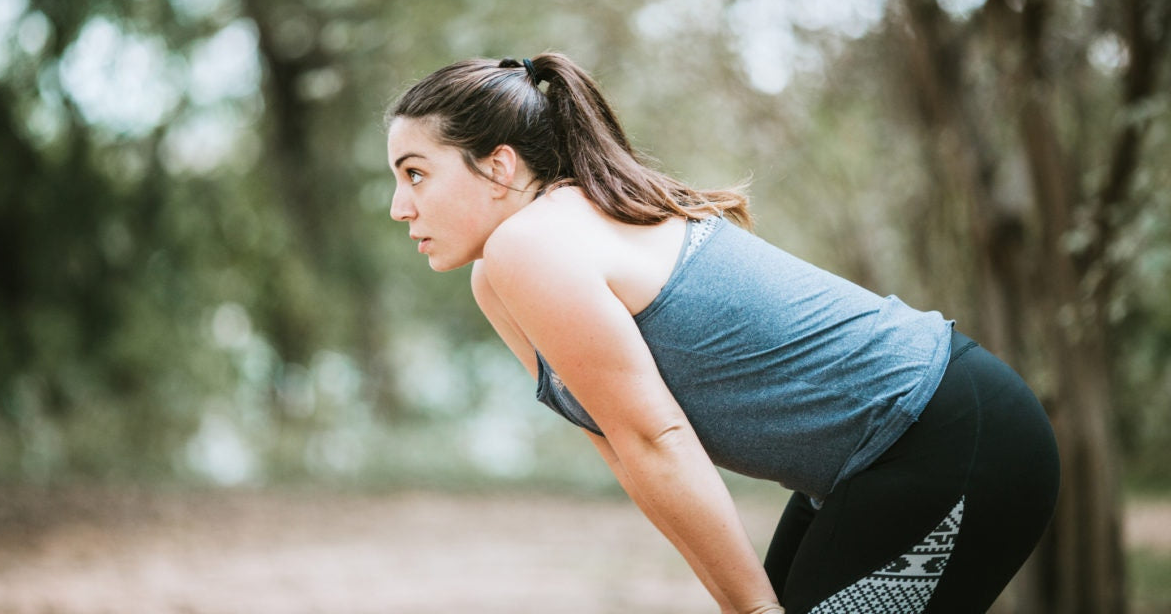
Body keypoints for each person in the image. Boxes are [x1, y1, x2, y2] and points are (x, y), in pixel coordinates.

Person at [385, 52, 1060, 614]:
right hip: (876, 460)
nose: (399, 206)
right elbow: (628, 448)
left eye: (416, 174)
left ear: (499, 166)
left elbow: (658, 440)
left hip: (948, 437)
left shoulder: (532, 245)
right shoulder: (504, 274)